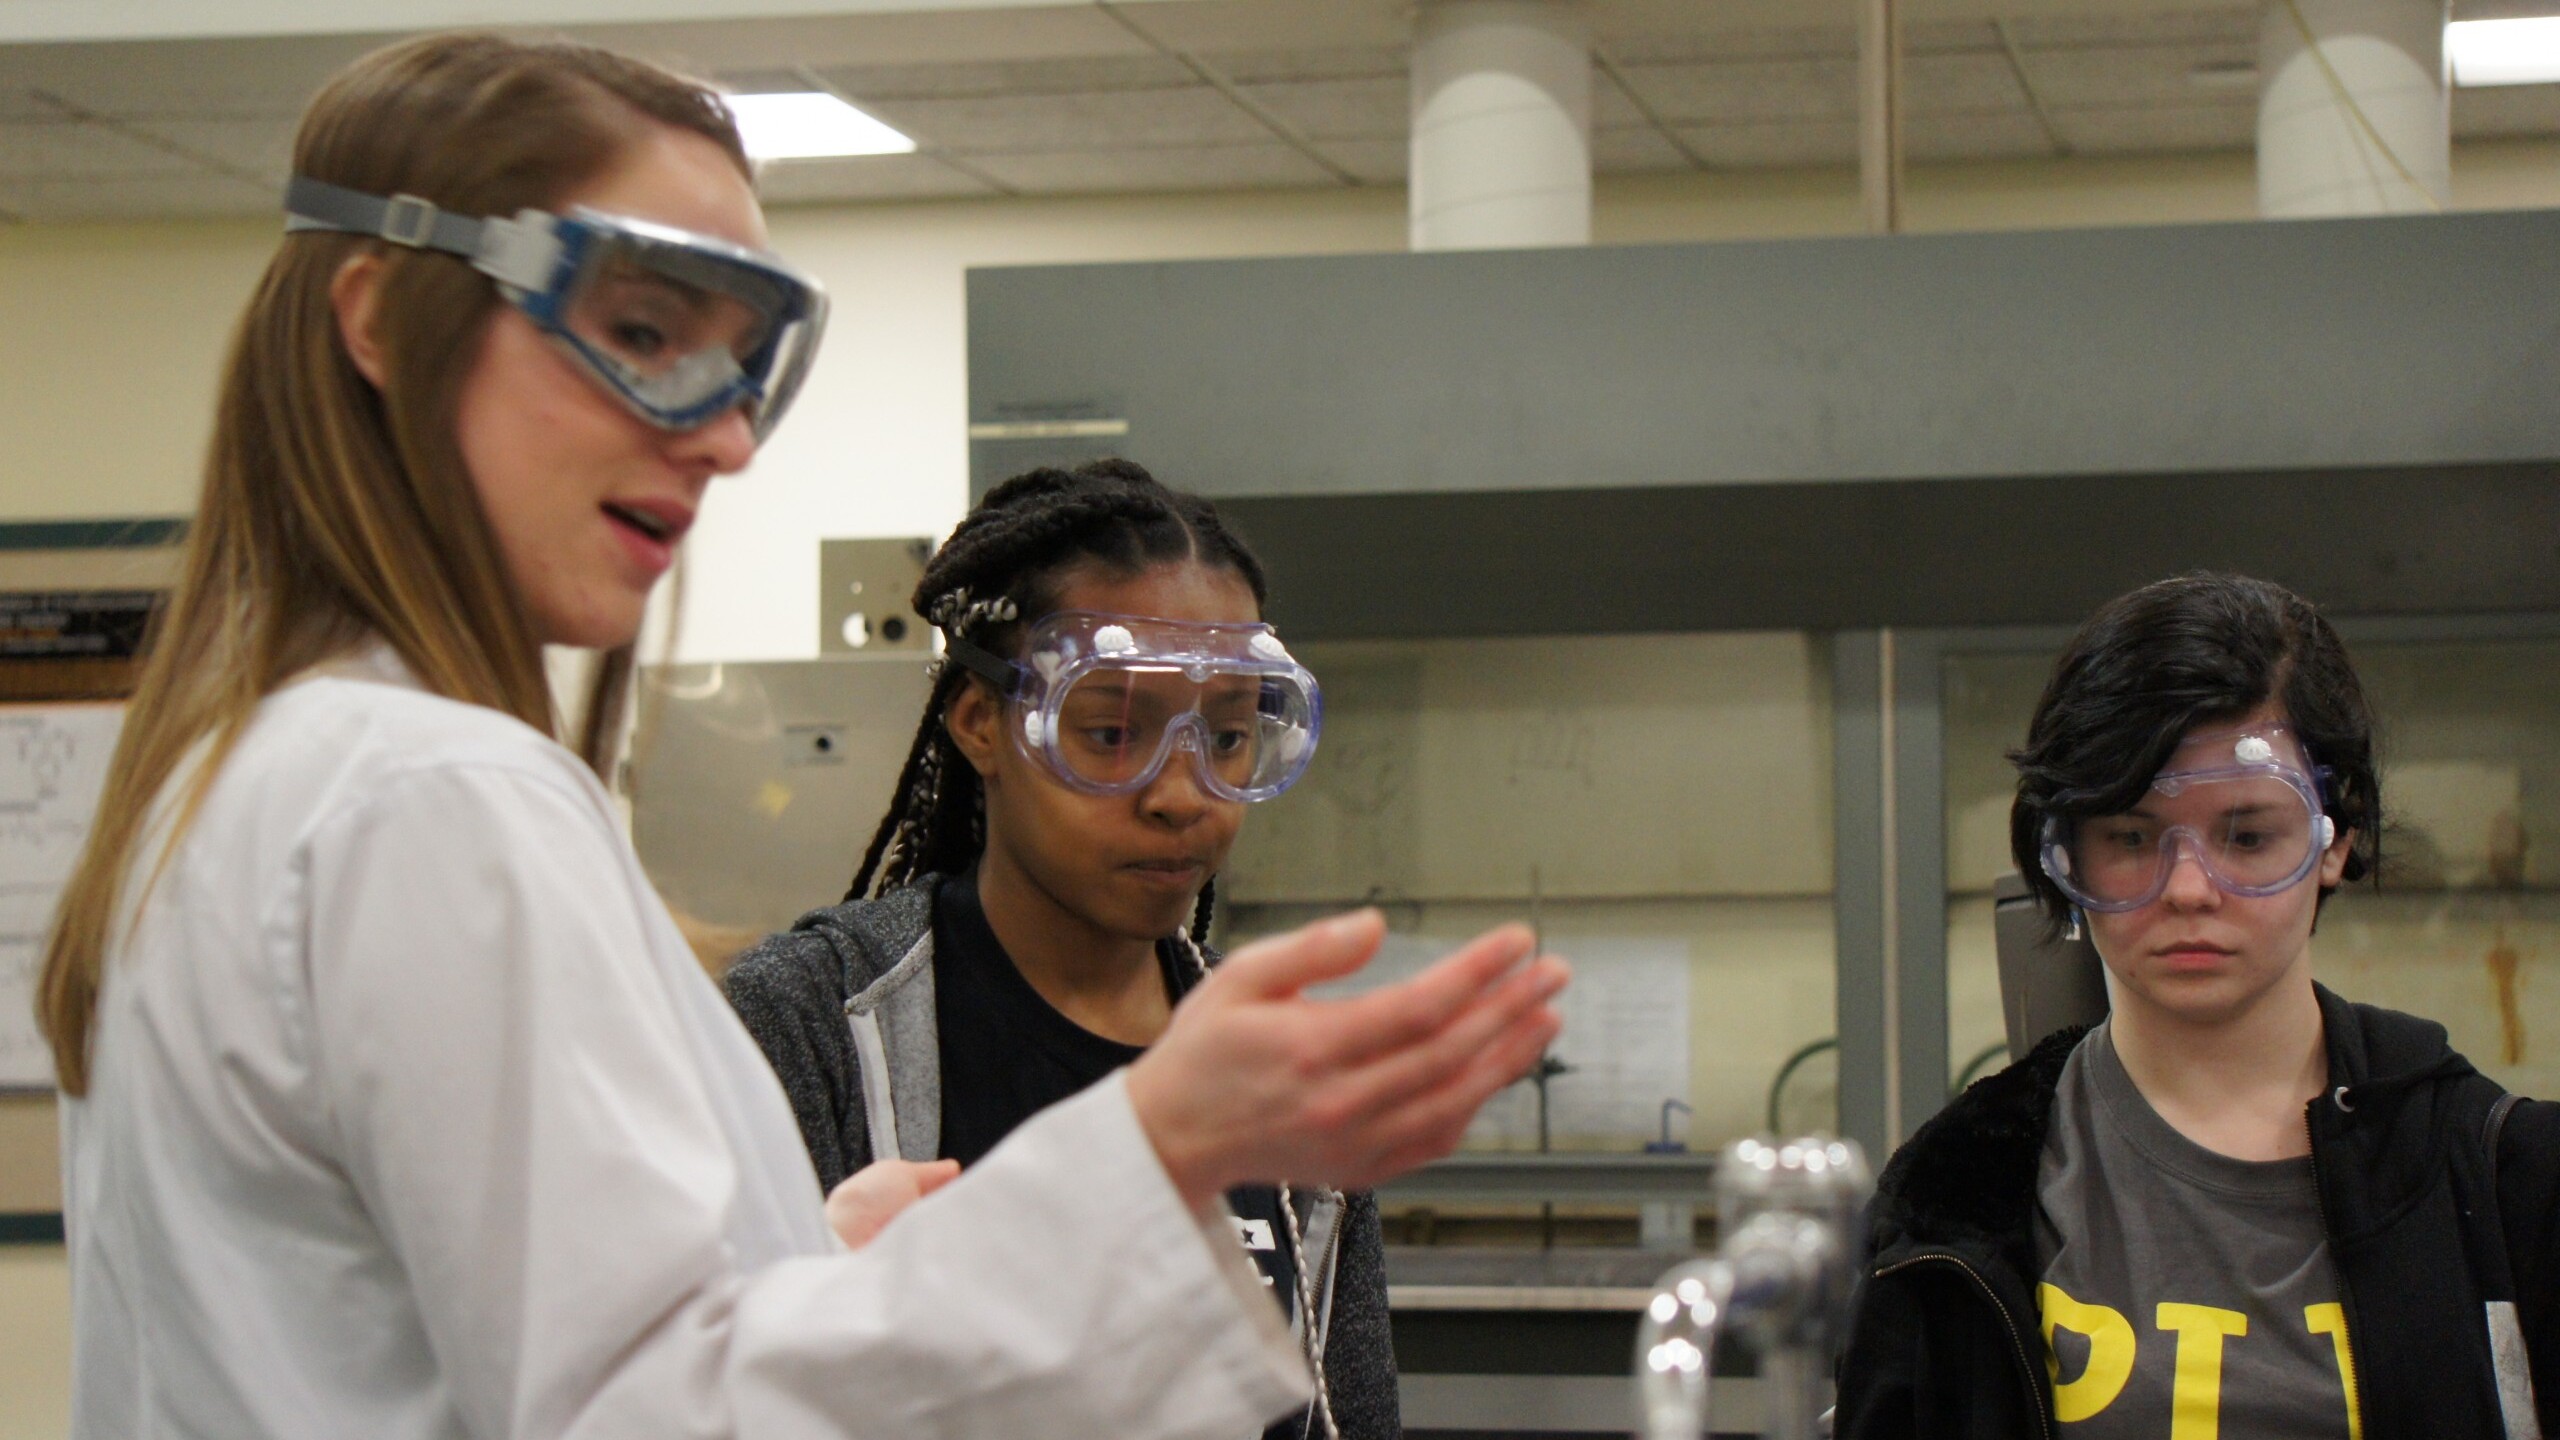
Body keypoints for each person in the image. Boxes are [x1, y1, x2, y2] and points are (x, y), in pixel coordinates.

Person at [35, 34, 1568, 1440]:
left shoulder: (232, 781)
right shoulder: (434, 802)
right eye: (640, 327)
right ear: (380, 317)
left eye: (746, 361)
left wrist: (813, 1267)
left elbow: (446, 1354)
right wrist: (1152, 1144)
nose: (719, 434)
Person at [722, 458, 1396, 1440]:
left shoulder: (1285, 1071)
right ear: (982, 724)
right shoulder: (811, 1025)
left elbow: (1347, 1420)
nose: (1181, 793)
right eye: (1112, 731)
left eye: (1231, 735)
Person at [1835, 572, 2557, 1440]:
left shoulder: (2500, 1178)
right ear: (2065, 855)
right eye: (2130, 838)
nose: (2187, 889)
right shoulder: (1953, 1203)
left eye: (2248, 836)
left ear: (2337, 838)